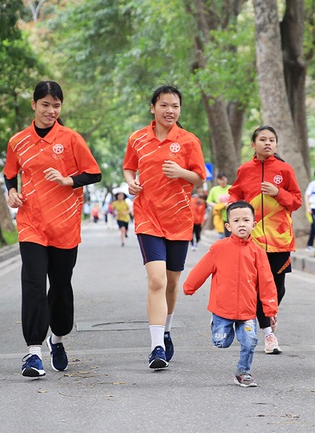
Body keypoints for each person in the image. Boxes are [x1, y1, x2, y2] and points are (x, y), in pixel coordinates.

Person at [4, 81, 102, 378]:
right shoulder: (17, 141)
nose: (51, 110)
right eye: (45, 104)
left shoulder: (71, 139)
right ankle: (33, 352)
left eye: (56, 105)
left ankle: (57, 338)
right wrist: (11, 191)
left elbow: (94, 173)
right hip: (31, 224)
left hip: (64, 226)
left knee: (60, 288)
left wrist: (67, 180)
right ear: (33, 104)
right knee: (33, 284)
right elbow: (10, 174)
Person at [123, 85, 206, 369]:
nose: (170, 111)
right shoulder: (137, 139)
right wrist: (130, 181)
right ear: (153, 108)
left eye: (175, 106)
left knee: (172, 284)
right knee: (157, 280)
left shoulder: (188, 141)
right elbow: (128, 166)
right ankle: (156, 346)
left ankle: (166, 329)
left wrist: (180, 172)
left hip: (180, 219)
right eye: (164, 105)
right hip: (147, 216)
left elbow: (199, 178)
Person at [183, 201, 278, 387]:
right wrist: (189, 286)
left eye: (246, 220)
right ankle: (216, 324)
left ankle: (243, 372)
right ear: (228, 226)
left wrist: (270, 309)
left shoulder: (258, 253)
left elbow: (267, 283)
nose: (241, 224)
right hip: (222, 309)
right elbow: (202, 269)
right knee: (221, 343)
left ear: (254, 224)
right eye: (236, 220)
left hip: (247, 310)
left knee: (250, 342)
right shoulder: (219, 248)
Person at [228, 126, 302, 355]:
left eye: (271, 140)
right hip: (253, 240)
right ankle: (268, 334)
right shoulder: (245, 170)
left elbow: (296, 201)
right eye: (262, 139)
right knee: (257, 287)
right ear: (253, 144)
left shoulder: (284, 170)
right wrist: (235, 216)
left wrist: (277, 192)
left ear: (276, 145)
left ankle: (269, 313)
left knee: (277, 288)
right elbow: (235, 194)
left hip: (280, 239)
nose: (267, 143)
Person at [207, 173, 231, 238]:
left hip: (230, 216)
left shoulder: (231, 188)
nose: (223, 181)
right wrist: (215, 205)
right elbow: (208, 201)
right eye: (221, 179)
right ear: (218, 180)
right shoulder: (214, 190)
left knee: (230, 235)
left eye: (224, 179)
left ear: (226, 179)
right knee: (221, 236)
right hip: (219, 216)